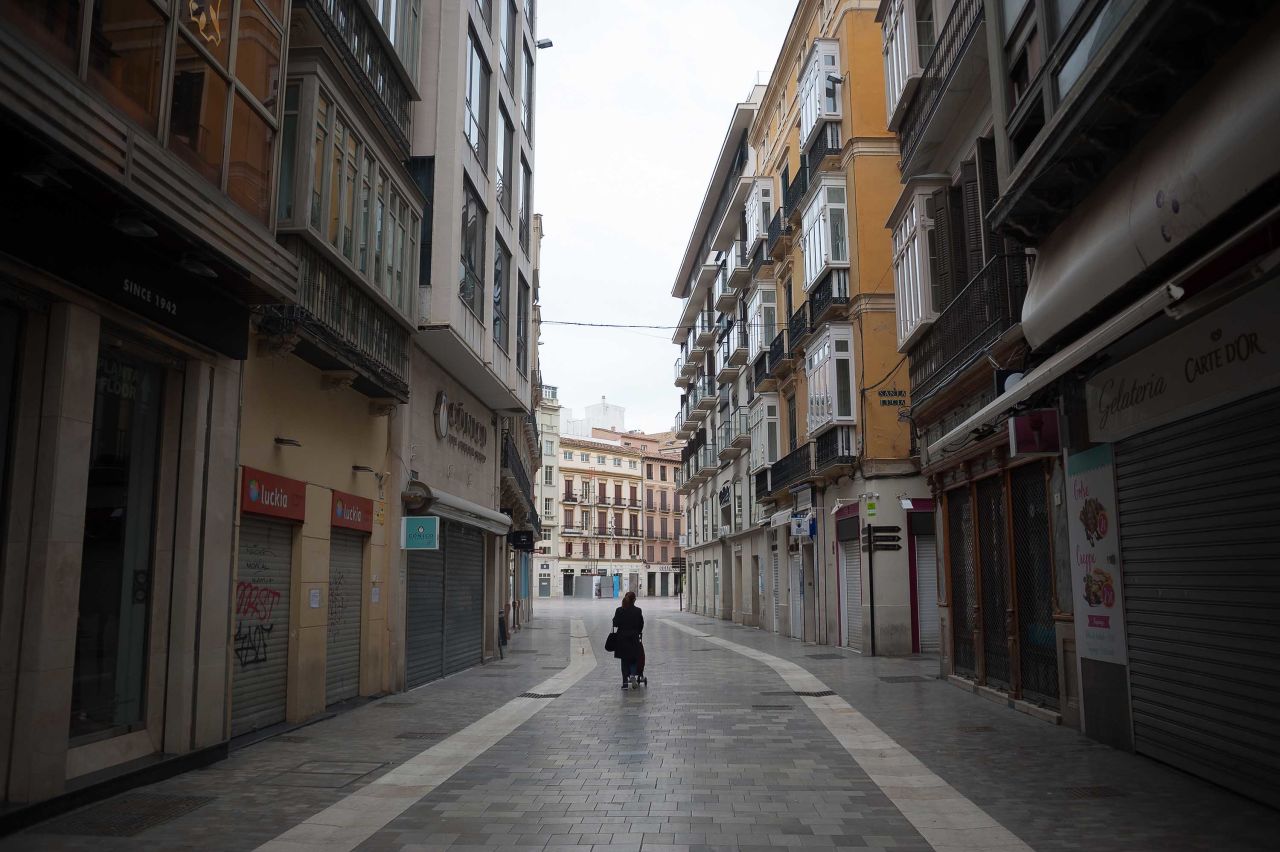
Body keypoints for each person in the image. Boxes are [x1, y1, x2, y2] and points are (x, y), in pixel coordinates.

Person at [611, 591, 644, 689]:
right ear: (634, 600)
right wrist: (637, 631)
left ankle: (625, 682)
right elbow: (641, 624)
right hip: (633, 638)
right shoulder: (638, 611)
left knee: (624, 660)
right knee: (633, 659)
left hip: (621, 638)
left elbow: (615, 623)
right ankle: (633, 676)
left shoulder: (619, 610)